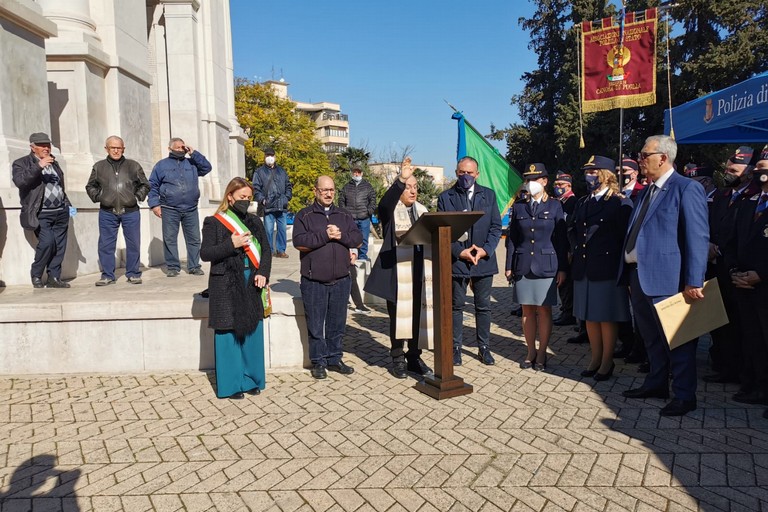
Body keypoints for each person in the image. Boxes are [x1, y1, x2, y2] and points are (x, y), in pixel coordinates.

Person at [619, 135, 709, 417]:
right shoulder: (647, 191)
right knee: (651, 338)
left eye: (645, 155)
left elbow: (697, 236)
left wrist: (694, 279)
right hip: (640, 276)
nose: (641, 159)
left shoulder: (686, 188)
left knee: (678, 339)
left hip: (670, 279)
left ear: (663, 157)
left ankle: (684, 395)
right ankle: (657, 383)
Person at [200, 177, 272, 399]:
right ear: (230, 196)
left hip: (251, 280)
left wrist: (262, 273)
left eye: (249, 198)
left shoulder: (254, 221)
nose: (246, 201)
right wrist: (231, 245)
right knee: (228, 332)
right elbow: (206, 254)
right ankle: (231, 384)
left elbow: (267, 252)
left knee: (252, 329)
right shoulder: (214, 222)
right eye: (242, 197)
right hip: (226, 283)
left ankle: (251, 379)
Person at [364, 157, 434, 379]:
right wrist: (401, 179)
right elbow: (384, 203)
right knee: (397, 318)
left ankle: (414, 356)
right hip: (397, 272)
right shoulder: (391, 211)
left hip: (419, 272)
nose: (412, 191)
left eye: (415, 187)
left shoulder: (422, 211)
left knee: (417, 316)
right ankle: (397, 357)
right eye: (408, 187)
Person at [293, 176, 363, 380]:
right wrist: (325, 236)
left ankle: (334, 358)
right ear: (315, 190)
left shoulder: (343, 214)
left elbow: (358, 239)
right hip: (314, 281)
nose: (328, 193)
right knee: (316, 325)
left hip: (341, 279)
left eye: (331, 190)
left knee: (337, 323)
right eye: (324, 190)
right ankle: (318, 362)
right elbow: (299, 242)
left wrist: (341, 236)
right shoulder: (304, 215)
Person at [571, 156, 633, 381]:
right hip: (585, 265)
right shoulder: (584, 202)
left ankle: (607, 361)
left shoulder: (619, 202)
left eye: (594, 171)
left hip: (606, 266)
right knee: (589, 316)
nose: (589, 175)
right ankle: (595, 358)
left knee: (606, 316)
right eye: (588, 171)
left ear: (606, 174)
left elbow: (624, 238)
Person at [437, 156, 502, 366]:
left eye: (470, 173)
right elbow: (442, 230)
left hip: (483, 261)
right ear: (456, 173)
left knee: (483, 307)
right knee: (456, 306)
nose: (466, 176)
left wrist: (485, 250)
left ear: (477, 174)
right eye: (462, 172)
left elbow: (495, 227)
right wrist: (459, 252)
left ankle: (484, 347)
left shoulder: (489, 196)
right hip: (458, 261)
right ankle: (455, 348)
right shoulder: (446, 197)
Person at [703, 146, 760, 385]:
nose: (728, 172)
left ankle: (744, 373)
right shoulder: (722, 196)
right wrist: (709, 244)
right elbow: (708, 225)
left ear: (748, 172)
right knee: (720, 322)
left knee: (743, 327)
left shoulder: (754, 197)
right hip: (717, 268)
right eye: (727, 167)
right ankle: (725, 367)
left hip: (740, 270)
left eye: (733, 169)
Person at [505, 163, 568, 371]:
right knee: (526, 311)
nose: (530, 183)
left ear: (544, 181)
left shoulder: (555, 206)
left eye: (535, 179)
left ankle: (542, 353)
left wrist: (563, 268)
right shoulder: (520, 206)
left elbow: (561, 239)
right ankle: (530, 350)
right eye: (528, 179)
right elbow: (512, 239)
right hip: (523, 264)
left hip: (546, 265)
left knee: (544, 310)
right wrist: (509, 265)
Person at [724, 145, 768, 413]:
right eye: (760, 169)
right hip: (743, 284)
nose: (762, 174)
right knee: (753, 339)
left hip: (764, 284)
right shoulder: (747, 202)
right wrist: (733, 271)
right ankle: (758, 386)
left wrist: (760, 275)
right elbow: (732, 241)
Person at [86, 136, 150, 286]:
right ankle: (107, 275)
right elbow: (90, 186)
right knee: (106, 244)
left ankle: (133, 274)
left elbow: (145, 184)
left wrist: (136, 197)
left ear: (123, 149)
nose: (116, 150)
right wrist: (99, 197)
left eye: (118, 148)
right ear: (106, 149)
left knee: (133, 243)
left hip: (131, 211)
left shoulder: (133, 166)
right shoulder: (98, 167)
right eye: (112, 147)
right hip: (107, 212)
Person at [11, 132, 72, 289]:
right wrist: (39, 166)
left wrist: (68, 206)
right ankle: (37, 274)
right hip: (41, 213)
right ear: (33, 147)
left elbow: (60, 186)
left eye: (48, 145)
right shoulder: (21, 163)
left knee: (59, 246)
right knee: (46, 243)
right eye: (42, 146)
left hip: (61, 211)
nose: (46, 148)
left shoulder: (54, 163)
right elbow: (21, 182)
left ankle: (54, 277)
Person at [148, 137, 212, 277]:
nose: (180, 150)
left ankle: (194, 266)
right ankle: (172, 267)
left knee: (194, 238)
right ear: (170, 149)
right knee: (170, 238)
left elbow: (207, 167)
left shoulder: (192, 164)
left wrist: (194, 153)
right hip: (169, 208)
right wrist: (154, 205)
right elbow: (152, 185)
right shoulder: (161, 165)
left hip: (190, 208)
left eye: (182, 147)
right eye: (177, 147)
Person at [252, 148, 292, 258]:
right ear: (265, 157)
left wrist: (287, 197)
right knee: (268, 230)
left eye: (272, 155)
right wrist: (262, 200)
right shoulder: (259, 172)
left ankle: (281, 250)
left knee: (282, 229)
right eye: (267, 155)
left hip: (281, 205)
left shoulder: (282, 171)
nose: (270, 157)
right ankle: (268, 251)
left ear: (275, 157)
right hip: (268, 206)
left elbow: (288, 185)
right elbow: (255, 188)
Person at [552, 172, 578, 327]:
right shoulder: (557, 202)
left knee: (567, 282)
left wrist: (570, 249)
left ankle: (569, 312)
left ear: (569, 185)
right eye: (556, 185)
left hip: (568, 248)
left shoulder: (573, 202)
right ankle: (565, 309)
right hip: (557, 246)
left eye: (561, 185)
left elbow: (572, 226)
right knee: (561, 281)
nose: (557, 187)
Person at [338, 167, 377, 261]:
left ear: (362, 173)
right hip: (351, 218)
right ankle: (351, 256)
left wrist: (369, 211)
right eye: (355, 172)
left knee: (364, 239)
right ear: (352, 173)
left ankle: (362, 256)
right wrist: (345, 212)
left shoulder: (367, 186)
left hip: (364, 217)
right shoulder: (347, 186)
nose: (356, 174)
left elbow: (373, 199)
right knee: (350, 238)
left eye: (358, 172)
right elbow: (341, 200)